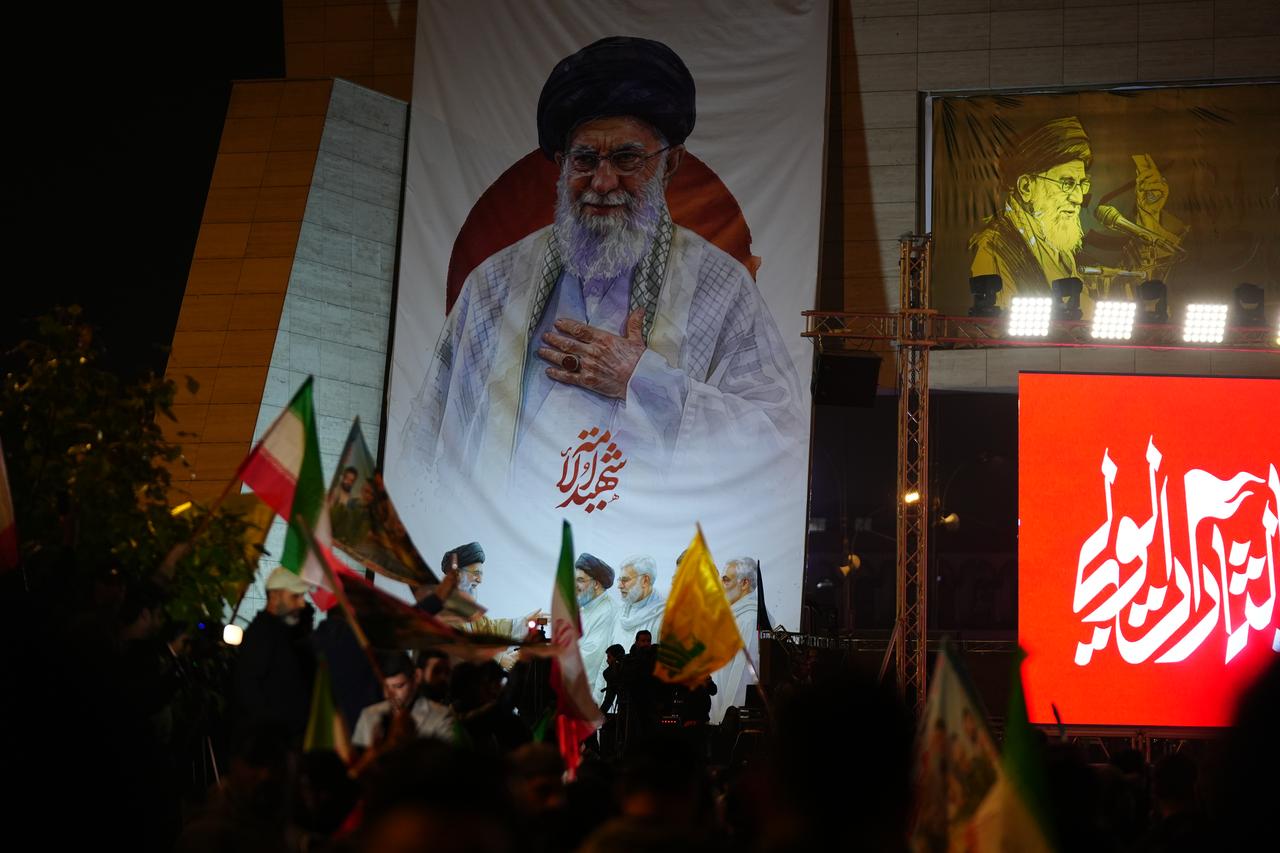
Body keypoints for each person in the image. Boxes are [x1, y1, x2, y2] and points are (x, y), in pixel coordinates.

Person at [402, 35, 803, 486]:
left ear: (671, 164)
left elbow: (779, 440)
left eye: (627, 158)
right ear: (562, 164)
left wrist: (643, 380)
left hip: (649, 551)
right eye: (585, 159)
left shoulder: (720, 287)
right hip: (505, 546)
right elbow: (429, 443)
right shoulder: (495, 285)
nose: (604, 180)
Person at [969, 116, 1092, 308]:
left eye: (1081, 184)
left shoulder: (1057, 243)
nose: (1078, 198)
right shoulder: (995, 246)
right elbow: (997, 325)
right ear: (1027, 187)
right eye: (1067, 184)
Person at [231, 567, 316, 742]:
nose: (301, 603)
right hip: (266, 747)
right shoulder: (262, 634)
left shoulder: (281, 632)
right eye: (295, 596)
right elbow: (248, 691)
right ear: (275, 596)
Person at [352, 652, 455, 753]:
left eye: (398, 686)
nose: (388, 695)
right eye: (385, 687)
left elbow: (445, 764)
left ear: (416, 678)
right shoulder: (368, 714)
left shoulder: (440, 716)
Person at [710, 556, 759, 723]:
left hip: (727, 723)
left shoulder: (750, 620)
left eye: (726, 580)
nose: (721, 587)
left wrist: (727, 723)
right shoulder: (733, 618)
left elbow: (742, 677)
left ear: (744, 584)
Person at [575, 552, 619, 693]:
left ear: (596, 584)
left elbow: (590, 659)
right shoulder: (586, 608)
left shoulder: (607, 611)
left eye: (580, 580)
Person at [615, 554, 664, 648]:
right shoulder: (619, 613)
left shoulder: (662, 616)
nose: (620, 586)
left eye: (625, 580)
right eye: (620, 580)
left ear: (645, 581)